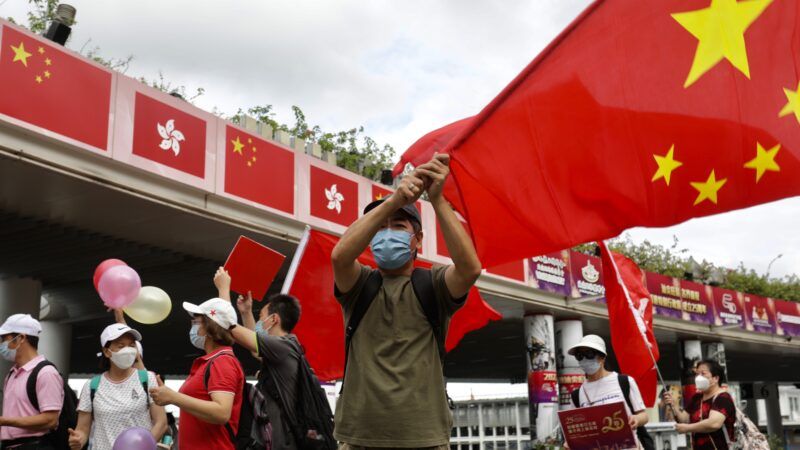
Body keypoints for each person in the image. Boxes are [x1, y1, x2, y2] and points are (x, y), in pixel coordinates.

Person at [331, 153, 482, 448]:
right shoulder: (358, 285)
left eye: (399, 226)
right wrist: (394, 201)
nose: (387, 234)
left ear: (418, 239)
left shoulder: (434, 286)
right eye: (379, 228)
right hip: (358, 438)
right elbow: (339, 256)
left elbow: (470, 269)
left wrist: (437, 200)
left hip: (424, 440)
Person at [214, 267, 302, 450]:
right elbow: (255, 349)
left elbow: (228, 326)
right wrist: (246, 312)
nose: (260, 322)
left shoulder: (283, 346)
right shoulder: (286, 348)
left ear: (274, 319)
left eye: (261, 317)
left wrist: (223, 289)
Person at [149, 298, 245, 450]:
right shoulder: (211, 362)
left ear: (210, 326)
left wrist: (173, 397)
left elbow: (222, 412)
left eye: (196, 321)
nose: (192, 325)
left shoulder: (222, 362)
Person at [69, 324, 167, 450]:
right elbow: (82, 430)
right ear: (106, 351)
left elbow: (161, 423)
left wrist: (142, 447)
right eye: (121, 346)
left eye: (131, 345)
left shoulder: (148, 379)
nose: (127, 350)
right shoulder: (91, 386)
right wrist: (78, 440)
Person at [568, 335, 649, 450]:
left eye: (589, 354)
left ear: (602, 357)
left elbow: (644, 416)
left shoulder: (624, 381)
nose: (584, 360)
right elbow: (577, 431)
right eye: (579, 356)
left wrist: (636, 419)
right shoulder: (577, 395)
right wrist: (571, 443)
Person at [0, 314, 64, 450]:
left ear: (21, 338)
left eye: (4, 339)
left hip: (35, 446)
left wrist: (4, 421)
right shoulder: (11, 374)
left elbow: (51, 420)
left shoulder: (46, 372)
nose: (1, 344)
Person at [665, 359, 736, 449]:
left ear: (716, 378)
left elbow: (714, 423)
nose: (698, 378)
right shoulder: (697, 398)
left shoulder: (723, 398)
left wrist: (687, 428)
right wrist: (674, 405)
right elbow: (684, 420)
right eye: (697, 374)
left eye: (703, 373)